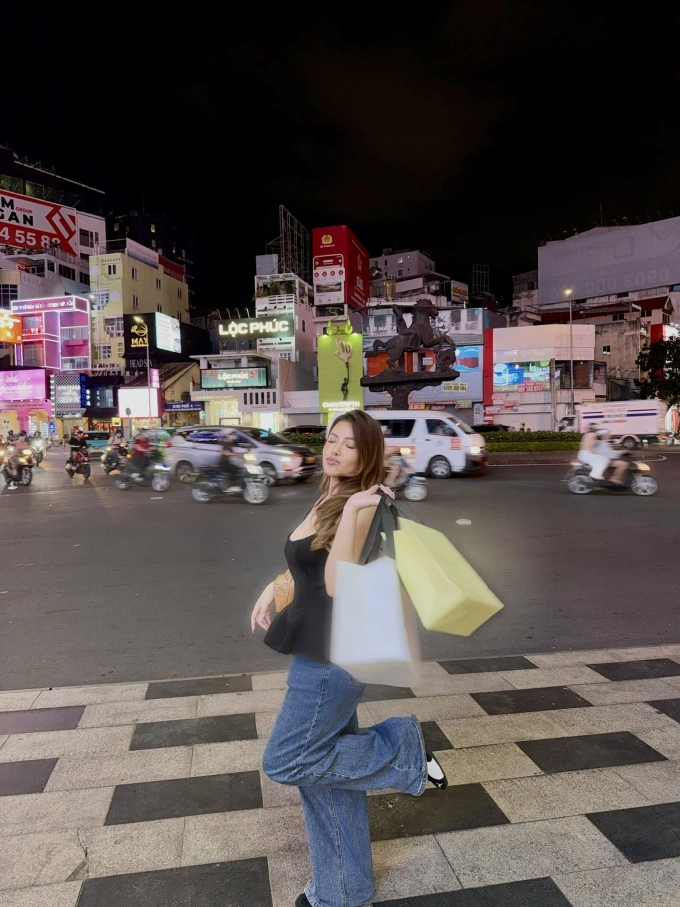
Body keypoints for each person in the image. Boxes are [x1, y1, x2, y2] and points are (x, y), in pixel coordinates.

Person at [251, 409, 447, 907]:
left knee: (287, 760)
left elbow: (338, 584)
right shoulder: (332, 495)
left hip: (330, 662)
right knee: (327, 782)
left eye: (349, 444)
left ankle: (404, 751)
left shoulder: (359, 504)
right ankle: (343, 889)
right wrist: (276, 586)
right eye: (331, 439)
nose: (334, 449)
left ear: (368, 454)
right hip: (321, 650)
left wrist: (358, 508)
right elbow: (310, 562)